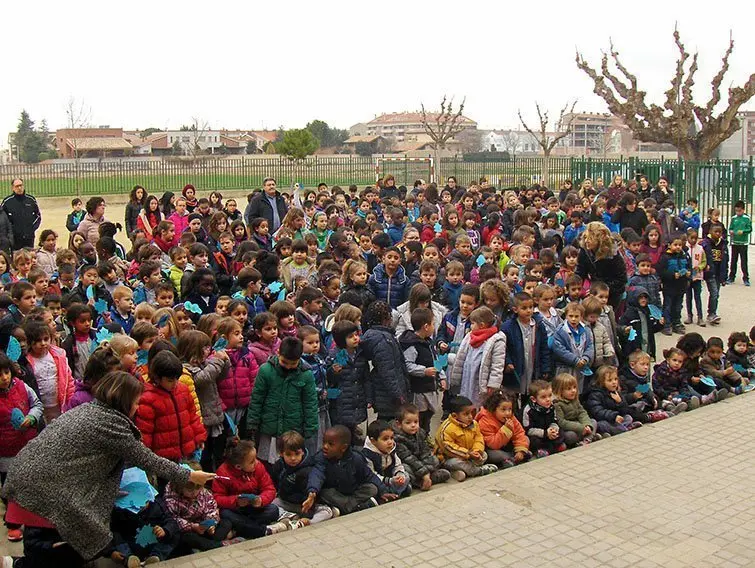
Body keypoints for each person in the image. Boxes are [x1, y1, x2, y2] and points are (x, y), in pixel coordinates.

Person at [1, 371, 215, 566]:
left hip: (31, 481)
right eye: (136, 402)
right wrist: (190, 474)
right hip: (41, 490)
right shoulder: (111, 424)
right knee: (79, 545)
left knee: (72, 546)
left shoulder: (92, 411)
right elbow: (148, 460)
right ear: (125, 400)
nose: (138, 407)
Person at [246, 336, 318, 464]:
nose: (289, 367)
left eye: (293, 364)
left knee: (292, 461)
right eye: (285, 362)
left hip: (293, 429)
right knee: (267, 461)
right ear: (278, 353)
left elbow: (310, 403)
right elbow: (257, 399)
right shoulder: (266, 370)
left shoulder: (306, 374)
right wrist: (252, 423)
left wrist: (310, 428)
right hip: (269, 427)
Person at [303, 425, 397, 516]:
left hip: (353, 491)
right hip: (336, 492)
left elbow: (369, 476)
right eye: (324, 442)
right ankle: (358, 506)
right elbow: (317, 474)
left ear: (343, 448)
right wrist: (312, 491)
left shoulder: (356, 458)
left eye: (330, 444)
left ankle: (348, 507)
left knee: (372, 488)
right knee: (325, 493)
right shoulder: (321, 458)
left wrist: (383, 491)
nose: (325, 446)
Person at [212, 438, 289, 538]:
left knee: (273, 510)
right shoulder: (223, 472)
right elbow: (217, 498)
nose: (256, 462)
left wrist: (261, 500)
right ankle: (262, 530)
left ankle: (241, 529)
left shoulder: (258, 467)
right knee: (225, 514)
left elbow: (269, 488)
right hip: (235, 509)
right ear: (238, 466)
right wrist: (236, 501)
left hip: (253, 508)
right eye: (252, 461)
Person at [269, 431, 335, 525]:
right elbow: (273, 483)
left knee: (326, 511)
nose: (293, 458)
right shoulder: (279, 465)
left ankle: (309, 522)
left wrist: (307, 514)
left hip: (305, 505)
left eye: (297, 454)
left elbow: (309, 496)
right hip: (286, 502)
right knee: (270, 504)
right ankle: (289, 516)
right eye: (288, 454)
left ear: (302, 452)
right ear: (281, 453)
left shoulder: (308, 470)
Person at [450, 306, 506, 408]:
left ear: (481, 325)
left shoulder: (496, 340)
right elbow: (462, 356)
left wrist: (493, 385)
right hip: (467, 377)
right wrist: (456, 377)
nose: (470, 326)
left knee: (480, 405)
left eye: (472, 323)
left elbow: (497, 365)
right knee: (466, 403)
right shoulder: (470, 336)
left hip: (481, 382)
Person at [434, 395, 498, 481]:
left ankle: (459, 472)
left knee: (484, 455)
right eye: (466, 414)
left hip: (469, 456)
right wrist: (467, 454)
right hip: (450, 458)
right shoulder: (446, 428)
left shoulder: (474, 424)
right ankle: (478, 470)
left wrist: (477, 451)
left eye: (472, 412)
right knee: (454, 463)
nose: (470, 416)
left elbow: (478, 438)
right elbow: (449, 448)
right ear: (455, 416)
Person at [392, 404, 450, 490]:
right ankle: (419, 482)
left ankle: (427, 478)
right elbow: (409, 458)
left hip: (420, 464)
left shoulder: (420, 433)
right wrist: (425, 474)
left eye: (416, 422)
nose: (413, 425)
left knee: (435, 460)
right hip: (409, 464)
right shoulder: (397, 439)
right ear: (399, 424)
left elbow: (425, 452)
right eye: (408, 423)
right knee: (405, 469)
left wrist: (427, 471)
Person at [575, 222, 627, 309]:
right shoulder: (585, 251)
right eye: (586, 237)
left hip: (612, 295)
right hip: (595, 290)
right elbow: (580, 272)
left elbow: (621, 280)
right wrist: (575, 287)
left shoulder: (614, 256)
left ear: (600, 240)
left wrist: (601, 290)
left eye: (590, 238)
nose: (587, 241)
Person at [475, 390, 530, 467]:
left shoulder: (511, 417)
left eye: (510, 409)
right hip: (492, 449)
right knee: (497, 455)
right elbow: (493, 444)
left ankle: (517, 456)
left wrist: (520, 450)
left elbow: (519, 433)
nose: (507, 413)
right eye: (503, 409)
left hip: (507, 445)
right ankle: (511, 458)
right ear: (494, 409)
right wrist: (506, 429)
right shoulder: (485, 420)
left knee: (526, 439)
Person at [360, 420, 410, 498]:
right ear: (373, 441)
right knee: (372, 488)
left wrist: (399, 475)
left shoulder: (391, 449)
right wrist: (389, 481)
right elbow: (372, 475)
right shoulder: (367, 455)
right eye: (385, 439)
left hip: (391, 478)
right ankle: (393, 493)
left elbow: (398, 465)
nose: (390, 442)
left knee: (406, 474)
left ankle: (394, 493)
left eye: (392, 438)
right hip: (379, 481)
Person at [551, 373, 599, 446]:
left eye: (574, 387)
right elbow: (562, 422)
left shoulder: (574, 400)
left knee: (593, 422)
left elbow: (582, 413)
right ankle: (590, 436)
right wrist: (580, 428)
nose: (573, 391)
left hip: (580, 424)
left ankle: (587, 439)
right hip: (569, 428)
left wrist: (586, 425)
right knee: (569, 436)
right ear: (560, 391)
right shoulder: (557, 404)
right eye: (569, 389)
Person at [2, 178, 41, 251]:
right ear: (12, 188)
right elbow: (3, 219)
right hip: (14, 238)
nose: (19, 188)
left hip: (29, 237)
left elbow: (38, 216)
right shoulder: (7, 202)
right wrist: (10, 232)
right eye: (17, 186)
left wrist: (31, 228)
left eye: (21, 185)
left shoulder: (31, 200)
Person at [727, 200, 751, 286]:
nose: (738, 212)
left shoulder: (747, 218)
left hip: (743, 243)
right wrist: (731, 231)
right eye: (736, 210)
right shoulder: (733, 218)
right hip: (735, 242)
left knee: (744, 261)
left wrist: (743, 231)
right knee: (733, 260)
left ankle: (746, 278)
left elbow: (750, 229)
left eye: (739, 211)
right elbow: (730, 228)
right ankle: (731, 277)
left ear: (743, 210)